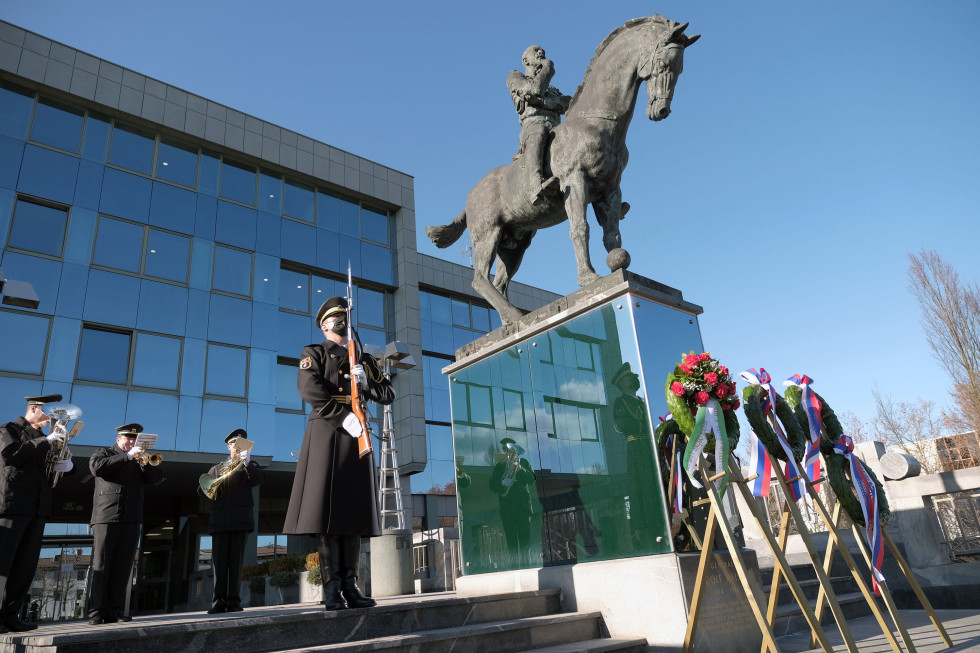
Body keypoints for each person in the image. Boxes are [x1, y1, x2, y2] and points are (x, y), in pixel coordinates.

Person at [283, 296, 394, 611]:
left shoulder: (363, 357)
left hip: (358, 437)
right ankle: (332, 588)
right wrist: (342, 415)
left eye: (345, 316)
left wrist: (366, 383)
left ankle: (351, 586)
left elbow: (389, 393)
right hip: (329, 432)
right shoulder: (313, 353)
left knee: (354, 513)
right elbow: (310, 389)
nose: (342, 321)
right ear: (324, 324)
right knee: (328, 513)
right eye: (336, 317)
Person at [0, 394, 72, 633]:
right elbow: (9, 454)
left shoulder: (45, 438)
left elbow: (49, 469)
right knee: (3, 562)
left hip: (37, 507)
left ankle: (10, 616)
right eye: (48, 413)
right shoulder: (9, 429)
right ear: (33, 408)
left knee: (25, 566)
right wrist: (46, 441)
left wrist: (66, 465)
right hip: (12, 504)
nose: (52, 419)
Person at [87, 423, 163, 625]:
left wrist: (146, 463)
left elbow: (155, 479)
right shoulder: (105, 452)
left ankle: (115, 610)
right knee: (102, 565)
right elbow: (96, 468)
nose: (131, 442)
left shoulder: (140, 458)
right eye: (128, 439)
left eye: (134, 440)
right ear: (119, 438)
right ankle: (96, 612)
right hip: (107, 516)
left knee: (123, 567)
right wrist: (126, 457)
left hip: (131, 517)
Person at [200, 428, 263, 614]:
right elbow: (205, 490)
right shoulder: (216, 468)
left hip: (240, 521)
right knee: (219, 565)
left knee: (236, 565)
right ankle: (218, 602)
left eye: (242, 443)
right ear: (229, 446)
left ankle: (234, 602)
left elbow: (258, 480)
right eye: (236, 443)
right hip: (220, 521)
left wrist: (248, 463)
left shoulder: (250, 465)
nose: (239, 446)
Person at [506, 44, 572, 205]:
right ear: (525, 60)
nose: (541, 52)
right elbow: (535, 89)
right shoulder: (516, 77)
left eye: (542, 51)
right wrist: (547, 69)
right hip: (532, 129)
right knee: (539, 130)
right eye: (535, 51)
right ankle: (535, 184)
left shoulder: (553, 89)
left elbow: (568, 103)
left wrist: (542, 102)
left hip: (556, 129)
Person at [489, 438, 536, 564]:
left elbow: (532, 479)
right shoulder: (499, 466)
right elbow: (492, 486)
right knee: (512, 544)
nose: (505, 451)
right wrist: (502, 482)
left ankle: (527, 568)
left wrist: (520, 469)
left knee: (525, 543)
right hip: (507, 510)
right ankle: (515, 569)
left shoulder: (524, 462)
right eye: (504, 449)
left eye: (508, 449)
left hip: (523, 509)